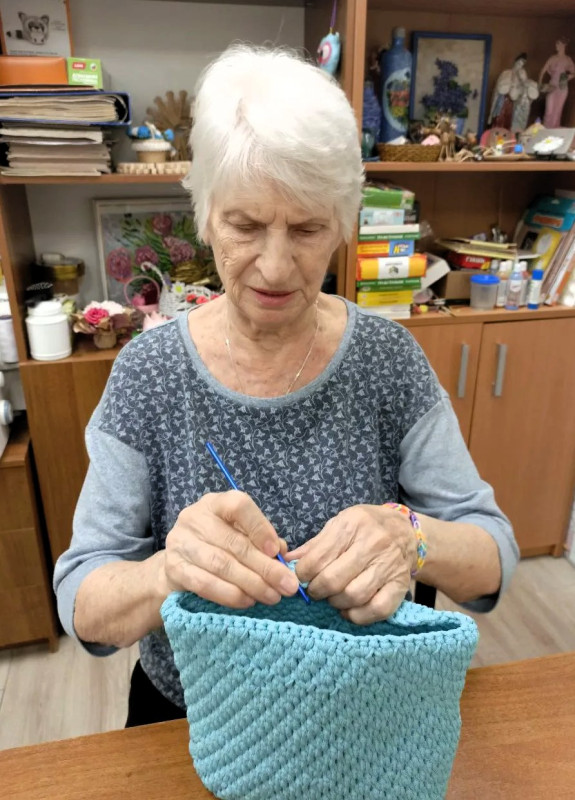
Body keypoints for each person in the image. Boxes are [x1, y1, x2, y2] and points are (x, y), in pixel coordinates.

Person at [54, 45, 518, 727]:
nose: (274, 267)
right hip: (195, 719)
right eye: (244, 226)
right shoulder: (148, 374)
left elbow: (493, 559)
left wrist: (410, 537)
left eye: (306, 229)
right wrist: (167, 571)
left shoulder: (386, 360)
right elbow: (83, 604)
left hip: (363, 711)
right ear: (205, 215)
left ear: (343, 225)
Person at [539, 38, 575, 129]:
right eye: (556, 44)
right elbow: (543, 71)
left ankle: (553, 131)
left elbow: (574, 72)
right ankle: (545, 130)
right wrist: (540, 84)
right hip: (552, 86)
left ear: (563, 45)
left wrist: (568, 77)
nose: (556, 46)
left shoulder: (567, 59)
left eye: (558, 44)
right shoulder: (553, 58)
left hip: (562, 88)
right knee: (549, 110)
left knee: (557, 112)